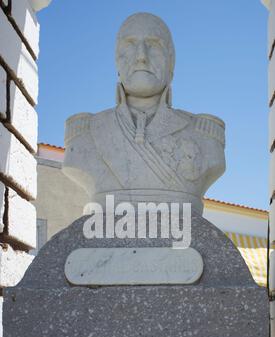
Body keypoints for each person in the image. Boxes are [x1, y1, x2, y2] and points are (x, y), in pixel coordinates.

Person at [63, 12, 225, 215]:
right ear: (116, 62)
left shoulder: (205, 137)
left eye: (154, 45)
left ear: (171, 62)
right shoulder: (86, 134)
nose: (141, 56)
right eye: (130, 45)